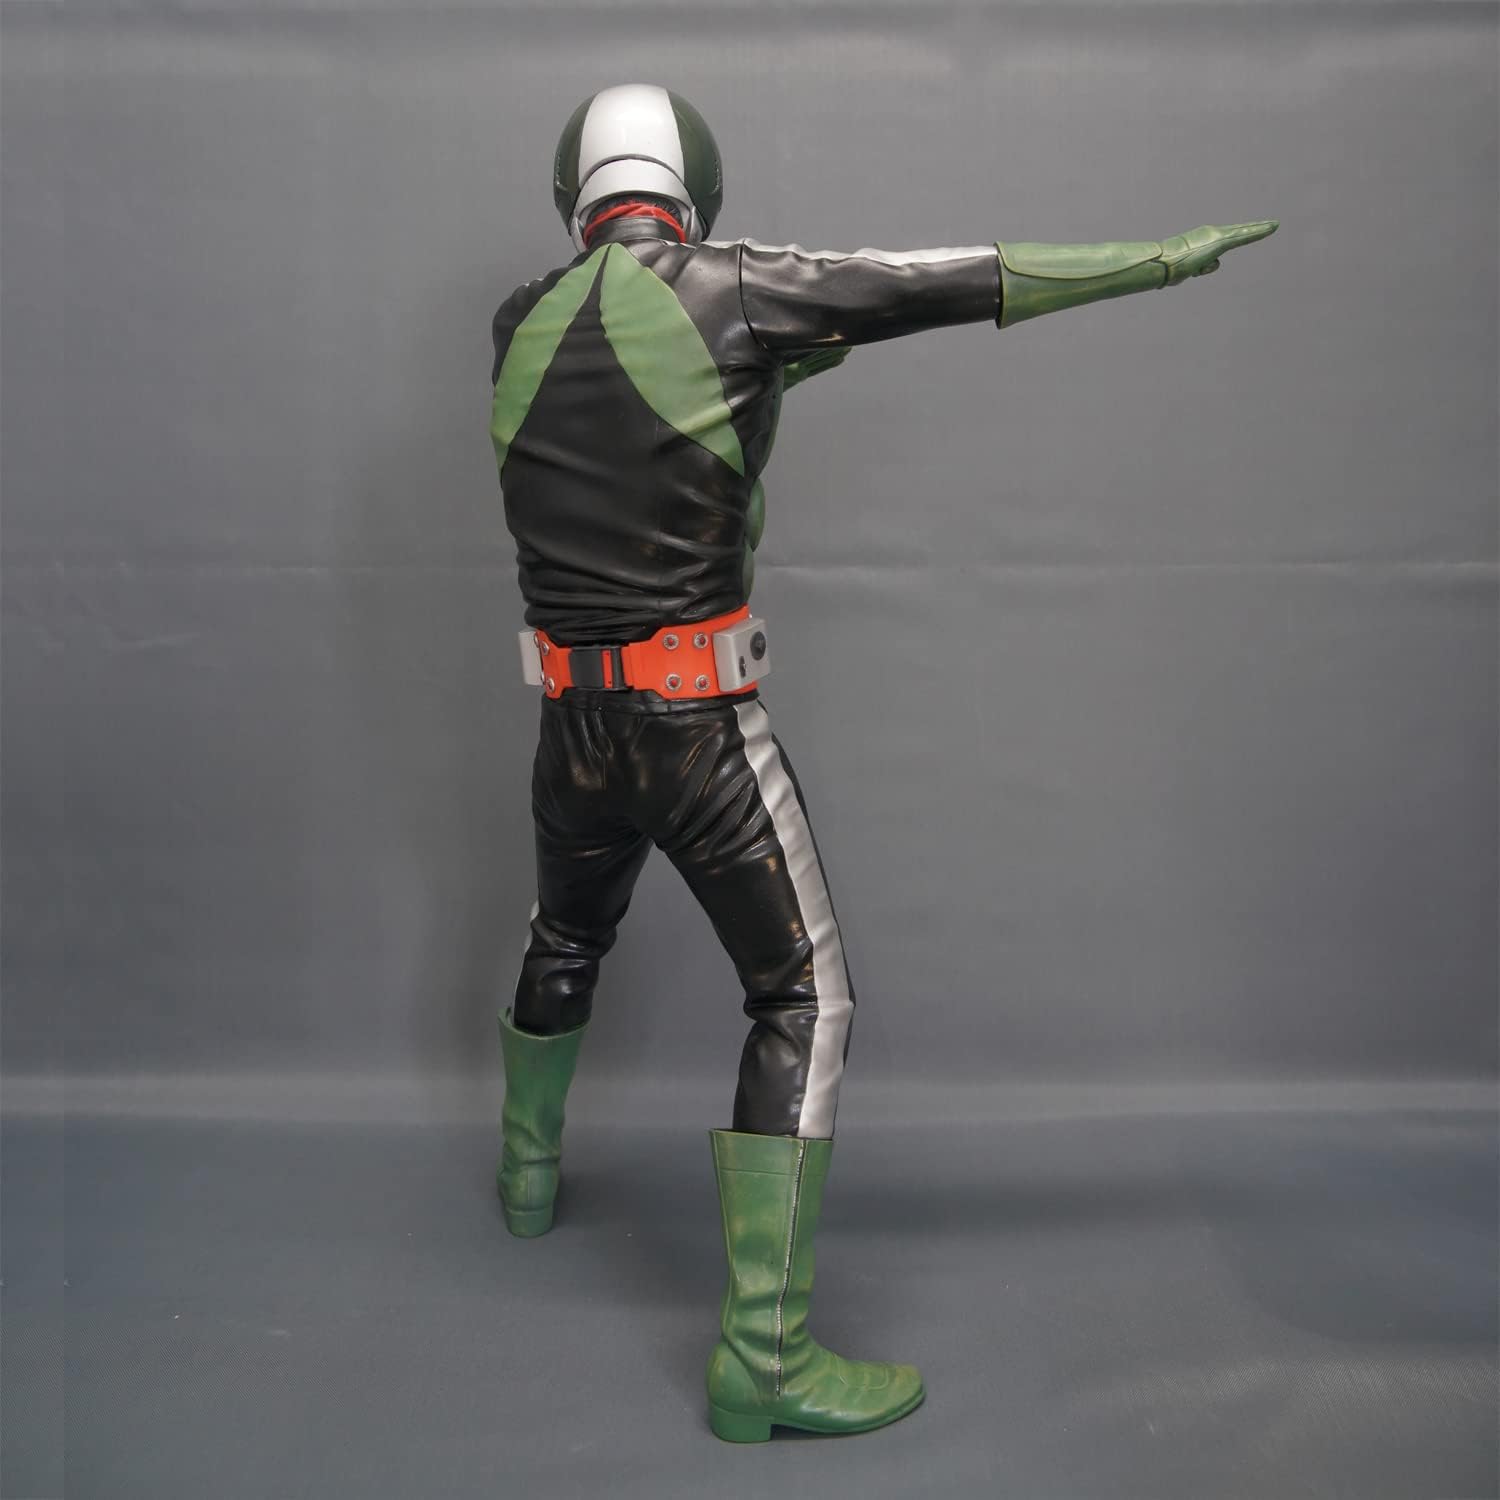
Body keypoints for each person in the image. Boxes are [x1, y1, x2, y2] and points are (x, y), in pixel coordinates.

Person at [488, 81, 1276, 1442]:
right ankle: (764, 1357)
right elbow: (951, 279)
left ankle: (524, 1181)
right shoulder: (736, 288)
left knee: (566, 933)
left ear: (578, 192)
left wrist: (784, 360)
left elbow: (638, 407)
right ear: (694, 189)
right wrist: (1157, 259)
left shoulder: (516, 319)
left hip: (571, 730)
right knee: (804, 997)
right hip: (695, 729)